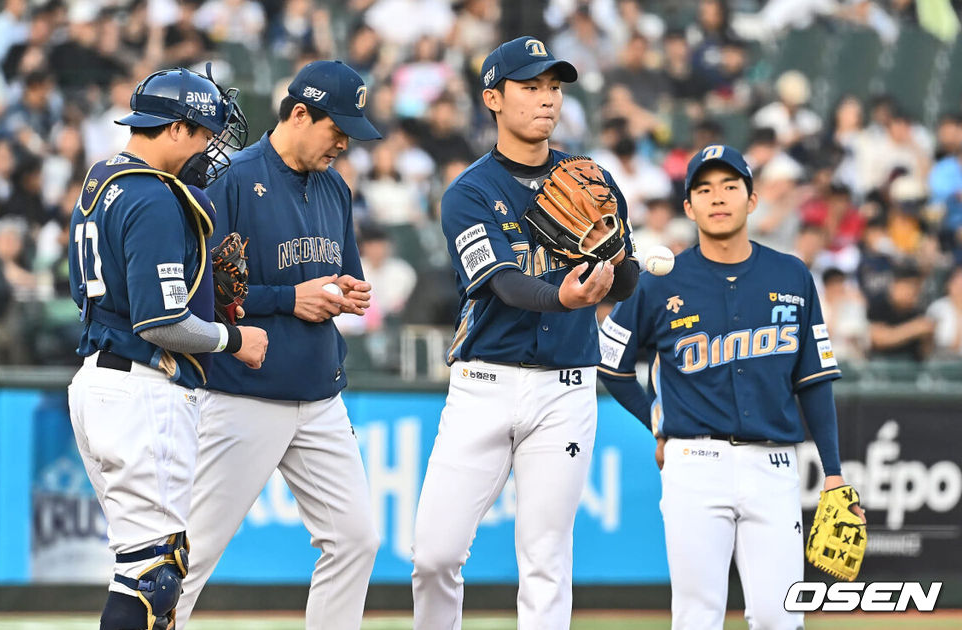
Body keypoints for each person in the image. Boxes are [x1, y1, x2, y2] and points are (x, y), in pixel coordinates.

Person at [411, 36, 639, 629]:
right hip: (485, 381)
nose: (547, 100)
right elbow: (504, 283)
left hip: (565, 387)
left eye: (555, 88)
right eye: (531, 86)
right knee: (434, 556)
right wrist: (565, 294)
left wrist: (615, 260)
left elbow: (626, 283)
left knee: (546, 559)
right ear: (493, 97)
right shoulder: (470, 191)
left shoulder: (590, 178)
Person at [598, 145, 865, 630]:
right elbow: (611, 363)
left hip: (775, 465)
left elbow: (814, 379)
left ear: (753, 199)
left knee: (779, 616)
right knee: (698, 616)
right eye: (703, 189)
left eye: (729, 186)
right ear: (688, 207)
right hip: (694, 464)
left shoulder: (793, 275)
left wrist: (833, 472)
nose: (717, 197)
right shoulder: (659, 281)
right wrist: (656, 420)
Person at [174, 60, 382, 630]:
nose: (344, 143)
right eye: (336, 129)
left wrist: (349, 291)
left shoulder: (335, 186)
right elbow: (202, 292)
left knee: (356, 540)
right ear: (298, 113)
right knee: (190, 553)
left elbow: (341, 274)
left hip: (319, 395)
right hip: (243, 394)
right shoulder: (234, 179)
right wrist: (290, 299)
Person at [66, 66, 267, 630]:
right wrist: (233, 337)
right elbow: (161, 322)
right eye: (204, 133)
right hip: (142, 389)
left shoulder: (102, 179)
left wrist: (204, 289)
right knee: (154, 573)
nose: (209, 148)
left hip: (102, 382)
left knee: (144, 565)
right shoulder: (153, 196)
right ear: (176, 128)